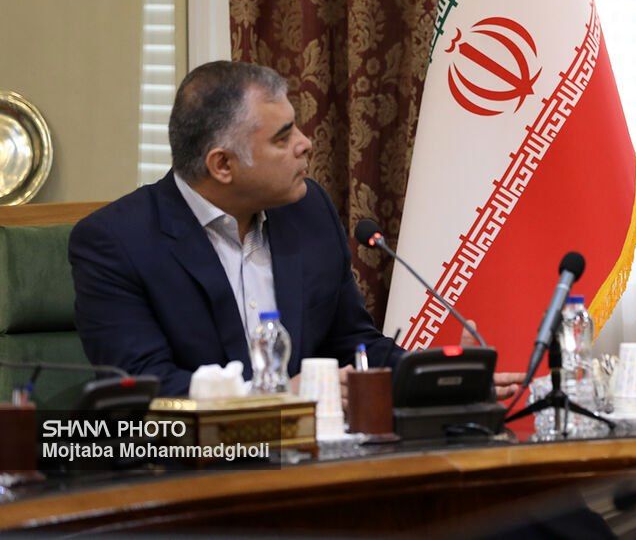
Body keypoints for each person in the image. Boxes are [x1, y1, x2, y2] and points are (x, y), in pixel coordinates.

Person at [70, 61, 520, 398]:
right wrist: (280, 397)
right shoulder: (116, 243)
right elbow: (148, 391)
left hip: (324, 460)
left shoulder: (307, 211)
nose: (306, 144)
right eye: (282, 138)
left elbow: (352, 344)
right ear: (222, 165)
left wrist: (440, 377)